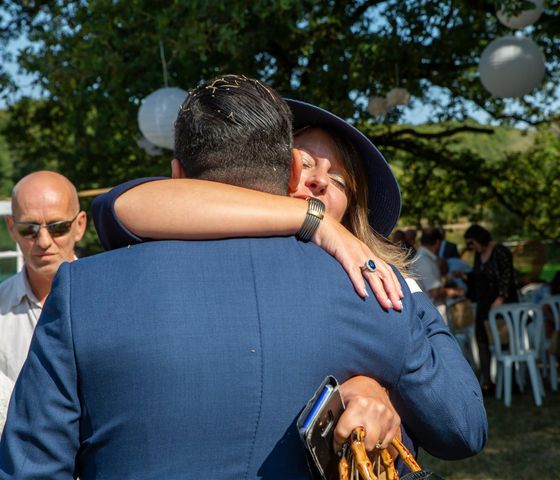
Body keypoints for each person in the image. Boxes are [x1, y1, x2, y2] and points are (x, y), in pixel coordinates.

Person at [0, 76, 486, 479]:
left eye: (338, 180)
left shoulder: (85, 290)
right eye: (309, 168)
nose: (317, 186)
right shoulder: (379, 298)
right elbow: (463, 433)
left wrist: (378, 392)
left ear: (176, 172)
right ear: (289, 169)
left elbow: (32, 469)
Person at [0, 171, 87, 383]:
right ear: (12, 228)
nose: (43, 241)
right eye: (29, 229)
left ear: (79, 226)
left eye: (58, 227)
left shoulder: (111, 301)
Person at [463, 224, 518, 394]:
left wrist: (501, 298)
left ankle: (511, 381)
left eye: (472, 243)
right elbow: (478, 277)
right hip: (483, 304)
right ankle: (487, 381)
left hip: (502, 305)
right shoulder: (479, 256)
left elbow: (507, 276)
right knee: (482, 341)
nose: (471, 247)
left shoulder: (500, 252)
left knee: (504, 342)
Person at [412, 227, 463, 321]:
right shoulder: (424, 261)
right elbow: (435, 292)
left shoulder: (424, 258)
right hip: (432, 315)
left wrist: (449, 277)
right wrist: (455, 292)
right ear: (437, 242)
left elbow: (433, 282)